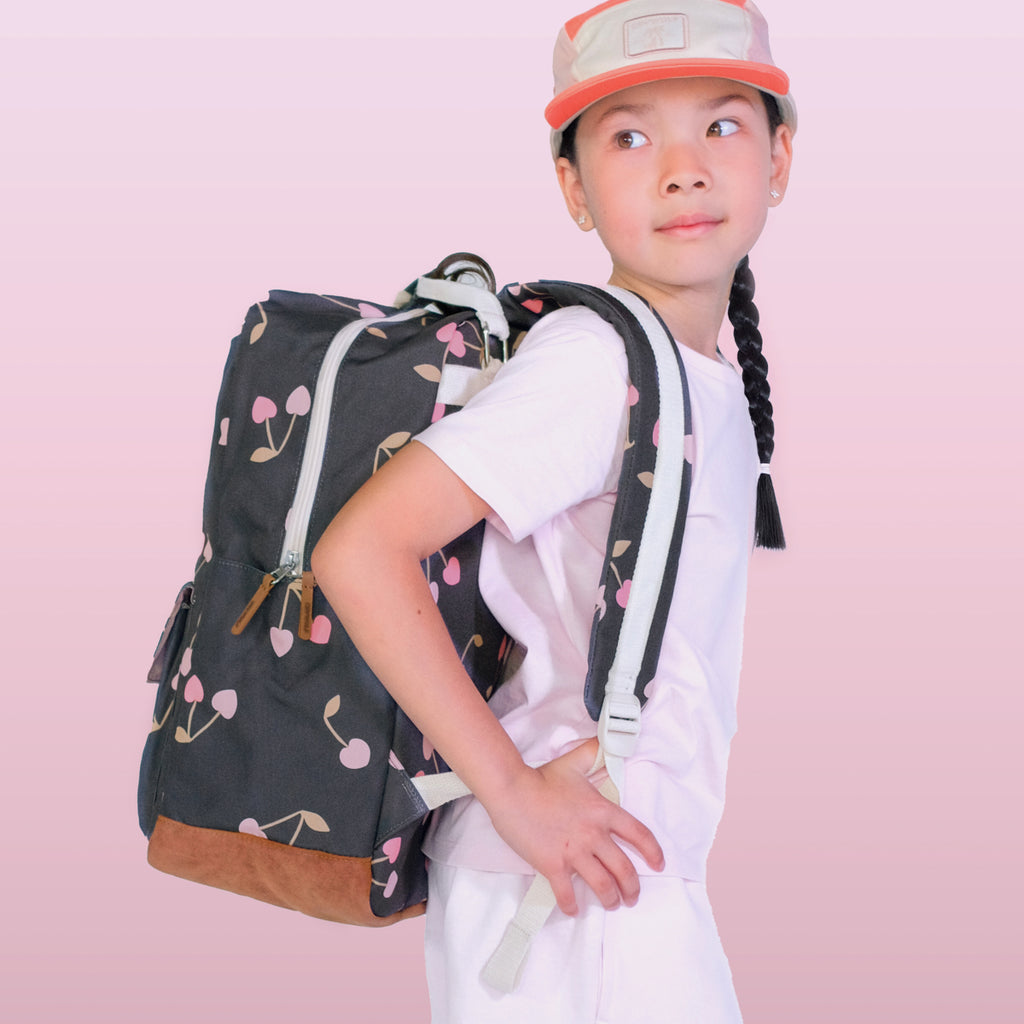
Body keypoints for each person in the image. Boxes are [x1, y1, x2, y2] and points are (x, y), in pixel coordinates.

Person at [311, 0, 795, 1019]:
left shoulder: (693, 373)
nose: (682, 166)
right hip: (566, 886)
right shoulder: (597, 365)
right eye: (628, 135)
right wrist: (516, 793)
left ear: (779, 158)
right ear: (571, 188)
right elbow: (362, 549)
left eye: (720, 124)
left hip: (604, 873)